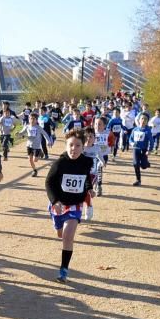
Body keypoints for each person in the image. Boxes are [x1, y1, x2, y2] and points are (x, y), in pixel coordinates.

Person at [45, 130, 94, 282]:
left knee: (67, 236)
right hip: (59, 204)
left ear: (83, 146)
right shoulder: (59, 163)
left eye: (78, 145)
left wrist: (89, 188)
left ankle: (63, 270)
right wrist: (55, 201)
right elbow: (49, 183)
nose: (74, 149)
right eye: (71, 145)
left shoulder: (87, 162)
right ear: (66, 146)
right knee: (60, 234)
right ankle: (56, 223)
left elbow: (86, 177)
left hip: (75, 205)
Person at [19, 112, 46, 177]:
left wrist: (49, 141)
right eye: (31, 118)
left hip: (36, 146)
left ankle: (40, 152)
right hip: (29, 145)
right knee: (30, 160)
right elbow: (22, 132)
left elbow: (45, 134)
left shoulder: (38, 127)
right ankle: (34, 170)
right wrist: (19, 133)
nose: (32, 120)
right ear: (29, 119)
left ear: (36, 120)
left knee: (35, 160)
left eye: (33, 119)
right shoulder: (27, 126)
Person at [129, 113, 153, 186]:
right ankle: (138, 180)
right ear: (139, 120)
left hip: (144, 150)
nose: (143, 120)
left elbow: (151, 141)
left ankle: (146, 163)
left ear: (147, 121)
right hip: (136, 149)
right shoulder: (135, 129)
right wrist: (132, 143)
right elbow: (130, 139)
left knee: (144, 166)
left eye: (145, 119)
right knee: (135, 164)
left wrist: (149, 150)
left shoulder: (147, 131)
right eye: (142, 118)